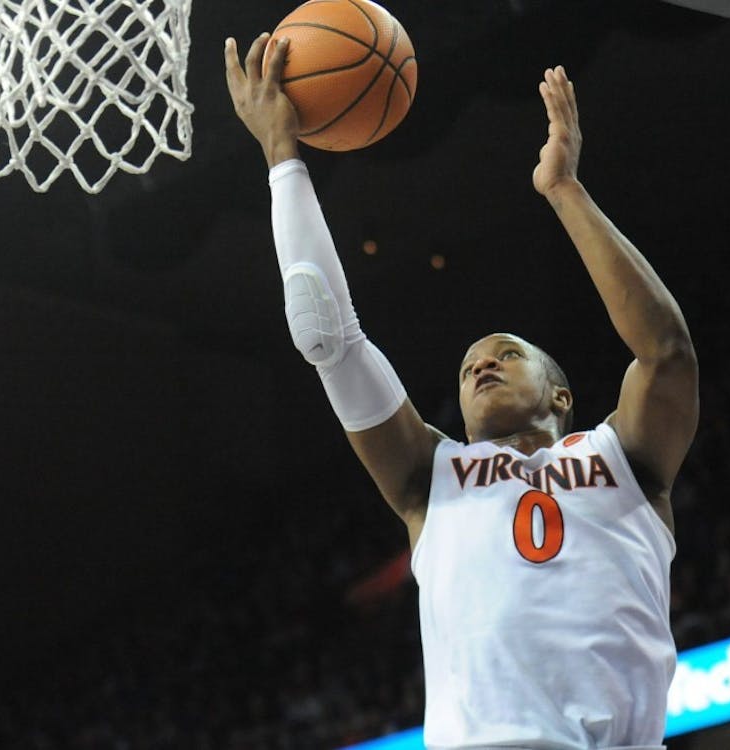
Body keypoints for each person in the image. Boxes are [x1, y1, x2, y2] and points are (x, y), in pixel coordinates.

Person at [225, 31, 698, 750]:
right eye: (469, 366)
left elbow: (665, 351)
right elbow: (330, 335)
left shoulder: (626, 456)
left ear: (561, 393)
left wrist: (564, 191)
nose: (481, 366)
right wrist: (282, 157)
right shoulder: (429, 477)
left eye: (506, 354)